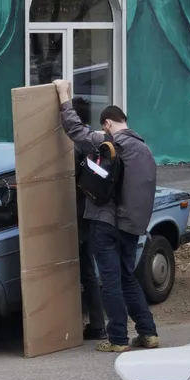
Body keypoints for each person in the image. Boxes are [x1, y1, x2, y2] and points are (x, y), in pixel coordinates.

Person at [54, 79, 159, 353]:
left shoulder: (111, 142)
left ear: (108, 123)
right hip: (132, 226)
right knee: (128, 276)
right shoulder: (145, 149)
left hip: (106, 222)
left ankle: (117, 339)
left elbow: (75, 131)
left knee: (110, 280)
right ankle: (148, 333)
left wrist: (63, 96)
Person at [72, 96, 107, 340]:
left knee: (84, 271)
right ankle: (99, 324)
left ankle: (96, 325)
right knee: (95, 270)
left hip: (78, 215)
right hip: (97, 212)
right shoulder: (97, 140)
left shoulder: (74, 145)